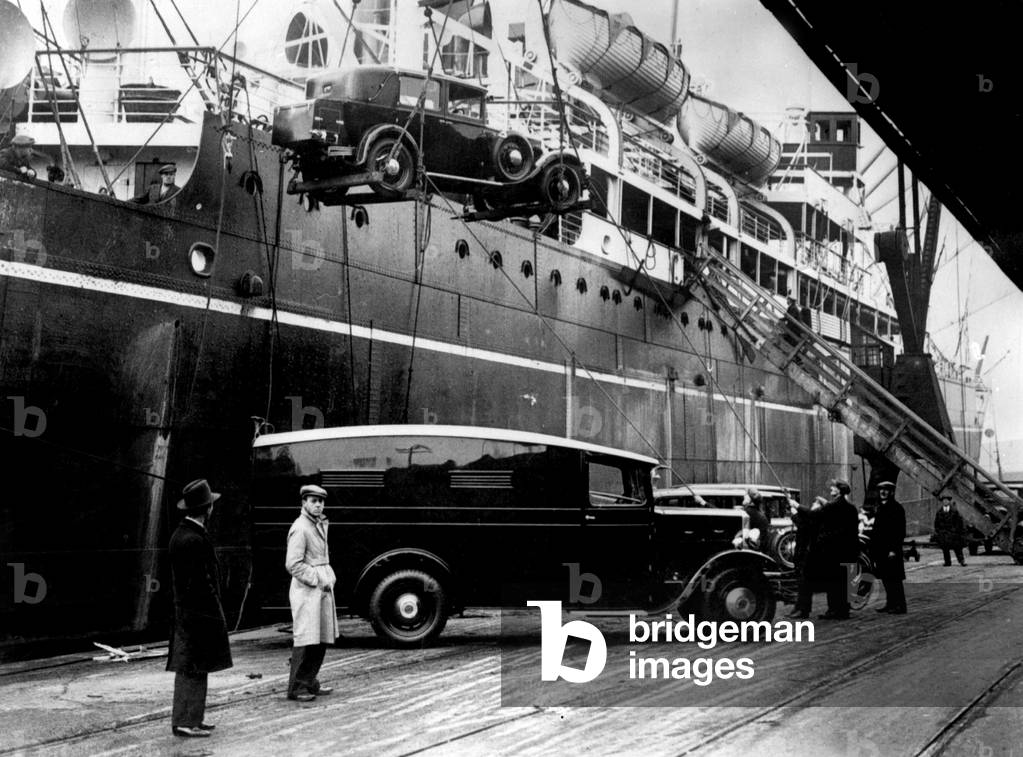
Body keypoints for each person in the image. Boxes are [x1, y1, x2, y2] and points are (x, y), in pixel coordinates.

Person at [167, 479, 233, 738]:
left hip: (190, 612)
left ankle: (194, 717)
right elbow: (200, 584)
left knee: (197, 666)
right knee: (191, 668)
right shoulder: (192, 539)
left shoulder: (185, 534)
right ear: (208, 509)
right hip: (197, 614)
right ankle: (184, 721)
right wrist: (213, 612)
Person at [286, 484, 339, 702]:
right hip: (308, 591)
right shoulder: (301, 527)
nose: (318, 505)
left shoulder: (316, 524)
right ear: (304, 502)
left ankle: (310, 681)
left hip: (321, 589)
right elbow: (293, 564)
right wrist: (318, 578)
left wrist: (327, 576)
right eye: (313, 501)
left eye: (321, 501)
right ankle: (297, 687)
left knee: (321, 637)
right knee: (307, 638)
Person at [808, 479, 860, 620]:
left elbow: (814, 515)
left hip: (834, 551)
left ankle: (833, 610)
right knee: (845, 581)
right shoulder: (851, 507)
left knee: (833, 581)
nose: (831, 488)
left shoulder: (832, 506)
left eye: (834, 487)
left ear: (839, 491)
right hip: (848, 551)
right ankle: (843, 610)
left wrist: (796, 506)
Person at [870, 481, 907, 614]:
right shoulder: (880, 508)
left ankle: (900, 605)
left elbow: (899, 532)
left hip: (891, 550)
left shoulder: (896, 508)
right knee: (886, 578)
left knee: (895, 579)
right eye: (881, 490)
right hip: (881, 549)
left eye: (886, 490)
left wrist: (893, 549)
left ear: (891, 492)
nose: (883, 492)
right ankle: (891, 603)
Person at [786, 495, 822, 619]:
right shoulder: (812, 516)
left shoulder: (816, 517)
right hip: (803, 552)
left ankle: (803, 610)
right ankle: (799, 608)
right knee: (802, 583)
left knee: (805, 583)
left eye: (816, 504)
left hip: (808, 553)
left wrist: (795, 510)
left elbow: (804, 525)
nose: (813, 505)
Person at [934, 493, 967, 566]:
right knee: (945, 548)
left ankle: (961, 561)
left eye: (946, 500)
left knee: (957, 548)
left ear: (949, 501)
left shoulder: (954, 511)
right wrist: (939, 531)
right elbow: (936, 523)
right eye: (943, 500)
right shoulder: (939, 512)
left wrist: (956, 531)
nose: (945, 502)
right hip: (944, 533)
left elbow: (959, 522)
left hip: (953, 533)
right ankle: (947, 562)